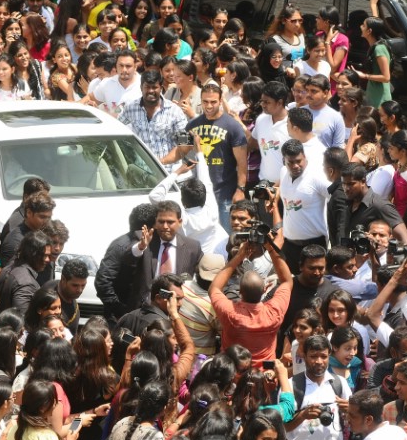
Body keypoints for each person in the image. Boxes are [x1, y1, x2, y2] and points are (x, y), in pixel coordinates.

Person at [210, 239, 293, 366]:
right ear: (265, 289)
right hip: (265, 377)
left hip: (232, 375)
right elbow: (287, 281)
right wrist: (270, 248)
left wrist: (239, 256)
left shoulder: (230, 313)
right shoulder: (273, 313)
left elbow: (214, 288)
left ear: (240, 292)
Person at [185, 82, 248, 229]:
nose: (208, 106)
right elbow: (181, 152)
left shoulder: (233, 126)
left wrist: (240, 190)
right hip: (198, 194)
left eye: (213, 102)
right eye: (205, 101)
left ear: (220, 101)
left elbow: (242, 163)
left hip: (225, 193)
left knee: (227, 238)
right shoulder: (191, 125)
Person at [95, 203, 158, 322]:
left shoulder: (153, 245)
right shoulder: (120, 246)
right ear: (149, 228)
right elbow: (103, 281)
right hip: (119, 317)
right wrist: (120, 310)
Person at [280, 139, 331, 274]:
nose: (296, 166)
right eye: (291, 162)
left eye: (299, 161)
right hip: (290, 245)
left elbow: (338, 198)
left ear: (304, 157)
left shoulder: (316, 177)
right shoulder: (283, 172)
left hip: (314, 245)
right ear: (284, 161)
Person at [118, 69, 188, 164]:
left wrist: (162, 162)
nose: (151, 91)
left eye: (154, 87)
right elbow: (116, 127)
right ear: (141, 88)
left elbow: (186, 143)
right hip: (142, 171)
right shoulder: (130, 108)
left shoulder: (175, 111)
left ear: (161, 88)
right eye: (147, 87)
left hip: (169, 171)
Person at [342, 163, 407, 244]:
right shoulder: (347, 204)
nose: (346, 189)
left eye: (351, 184)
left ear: (363, 181)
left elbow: (405, 237)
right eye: (344, 184)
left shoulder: (380, 205)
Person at [0, 230, 52, 314]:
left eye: (49, 256)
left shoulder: (8, 269)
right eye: (44, 255)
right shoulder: (26, 283)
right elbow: (22, 319)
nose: (48, 260)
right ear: (33, 254)